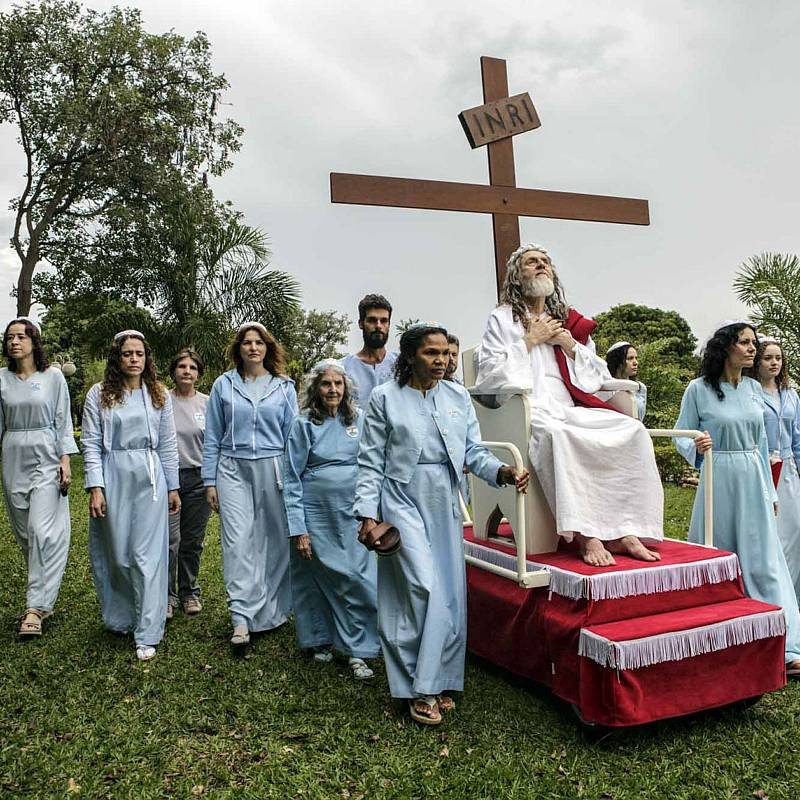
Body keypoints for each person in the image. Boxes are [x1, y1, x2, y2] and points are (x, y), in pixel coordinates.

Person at [355, 324, 529, 726]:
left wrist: (500, 472)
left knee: (447, 590)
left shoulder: (456, 396)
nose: (442, 361)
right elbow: (368, 462)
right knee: (421, 587)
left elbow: (473, 451)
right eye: (431, 353)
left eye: (446, 354)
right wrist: (367, 514)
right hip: (399, 497)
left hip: (445, 497)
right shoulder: (384, 398)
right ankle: (421, 685)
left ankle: (433, 680)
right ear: (410, 356)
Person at [472, 243, 664, 567]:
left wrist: (567, 342)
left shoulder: (565, 320)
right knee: (558, 436)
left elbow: (597, 374)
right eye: (532, 262)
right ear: (517, 277)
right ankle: (588, 536)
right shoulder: (502, 319)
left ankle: (624, 529)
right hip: (527, 410)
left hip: (567, 406)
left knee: (631, 429)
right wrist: (530, 339)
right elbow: (489, 376)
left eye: (545, 262)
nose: (541, 266)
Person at [674, 321, 800, 673]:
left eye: (753, 343)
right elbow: (680, 435)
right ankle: (717, 633)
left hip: (752, 478)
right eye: (744, 342)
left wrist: (768, 490)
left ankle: (785, 643)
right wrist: (696, 447)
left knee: (765, 559)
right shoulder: (697, 390)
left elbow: (761, 445)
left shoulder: (753, 390)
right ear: (726, 347)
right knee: (718, 554)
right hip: (718, 478)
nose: (751, 349)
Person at [82, 330, 180, 661]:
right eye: (127, 354)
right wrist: (96, 486)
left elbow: (167, 443)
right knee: (119, 554)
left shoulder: (159, 393)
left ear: (146, 358)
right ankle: (123, 616)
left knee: (148, 556)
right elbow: (91, 443)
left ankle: (148, 630)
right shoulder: (100, 394)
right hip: (114, 473)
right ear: (118, 358)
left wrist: (173, 485)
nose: (134, 359)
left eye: (139, 354)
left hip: (151, 476)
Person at [203, 322, 297, 647]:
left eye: (259, 342)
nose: (253, 347)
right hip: (231, 468)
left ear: (268, 348)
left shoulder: (284, 387)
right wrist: (209, 480)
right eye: (247, 343)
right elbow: (212, 435)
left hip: (273, 467)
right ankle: (241, 617)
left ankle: (271, 609)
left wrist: (294, 480)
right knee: (238, 541)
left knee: (275, 540)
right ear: (238, 349)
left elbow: (291, 438)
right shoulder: (223, 385)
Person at [283, 359, 379, 679]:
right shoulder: (303, 424)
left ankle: (357, 649)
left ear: (347, 388)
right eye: (326, 384)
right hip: (316, 512)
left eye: (338, 384)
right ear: (315, 388)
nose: (333, 390)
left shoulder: (360, 420)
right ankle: (321, 640)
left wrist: (371, 511)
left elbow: (372, 465)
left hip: (352, 512)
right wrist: (299, 529)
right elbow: (292, 477)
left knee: (356, 577)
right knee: (320, 576)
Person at [0, 317, 78, 637]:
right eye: (9, 337)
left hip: (46, 456)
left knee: (41, 530)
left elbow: (62, 421)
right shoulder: (1, 379)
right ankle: (44, 598)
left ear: (35, 341)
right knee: (26, 535)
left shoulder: (53, 376)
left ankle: (34, 608)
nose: (14, 342)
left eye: (21, 336)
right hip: (13, 454)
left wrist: (65, 461)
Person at [746, 336, 800, 602]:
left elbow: (798, 437)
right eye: (768, 358)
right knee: (767, 530)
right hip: (761, 467)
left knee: (793, 531)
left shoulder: (791, 395)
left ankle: (793, 596)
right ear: (757, 362)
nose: (774, 363)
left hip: (788, 469)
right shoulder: (750, 392)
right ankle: (767, 593)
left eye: (778, 358)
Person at [166, 349, 211, 619]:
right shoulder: (161, 400)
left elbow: (215, 442)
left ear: (198, 373)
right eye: (181, 366)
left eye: (192, 367)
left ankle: (189, 592)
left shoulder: (207, 403)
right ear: (173, 371)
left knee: (192, 540)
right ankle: (167, 596)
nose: (186, 371)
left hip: (199, 478)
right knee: (170, 540)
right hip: (169, 478)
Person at [340, 294, 398, 407]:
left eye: (384, 321)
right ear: (361, 323)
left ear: (389, 325)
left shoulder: (402, 364)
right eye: (372, 320)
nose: (378, 326)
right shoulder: (343, 368)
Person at [605, 341, 647, 421]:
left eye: (636, 358)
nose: (635, 362)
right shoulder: (606, 387)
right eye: (630, 358)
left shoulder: (640, 388)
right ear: (618, 361)